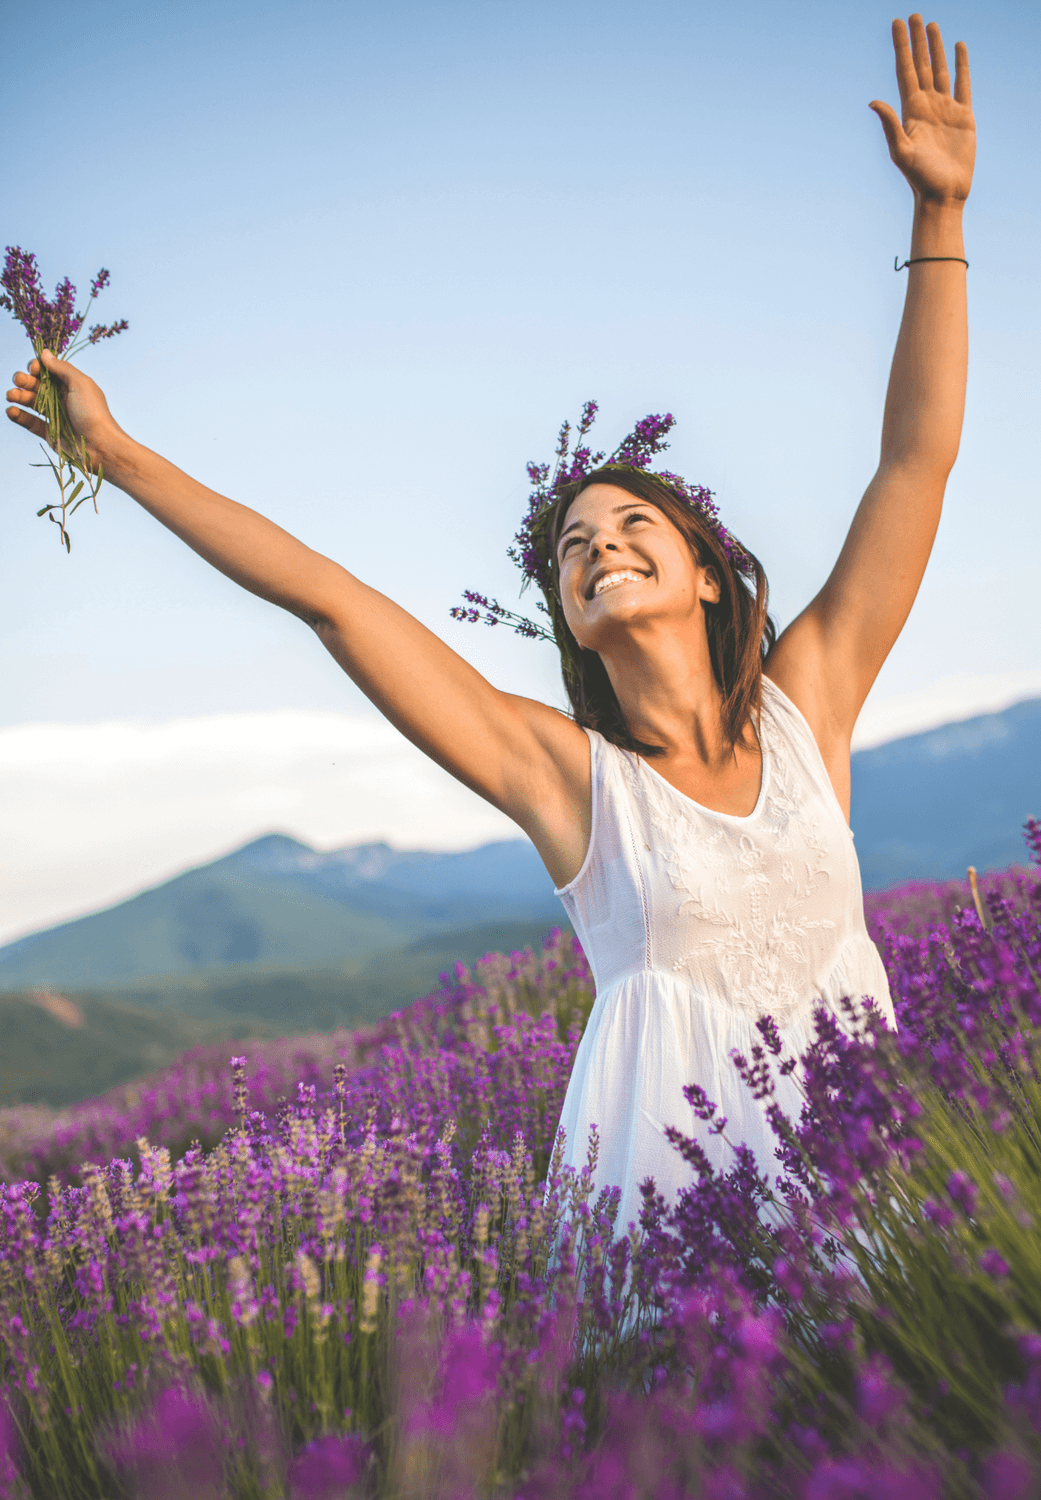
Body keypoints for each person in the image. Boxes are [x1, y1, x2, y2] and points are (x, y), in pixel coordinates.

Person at [6, 14, 974, 1221]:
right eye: (573, 549)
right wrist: (119, 453)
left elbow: (914, 466)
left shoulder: (807, 708)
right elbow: (330, 601)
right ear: (570, 616)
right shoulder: (569, 779)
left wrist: (940, 218)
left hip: (865, 1178)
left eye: (631, 527)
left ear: (711, 572)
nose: (599, 546)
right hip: (675, 1212)